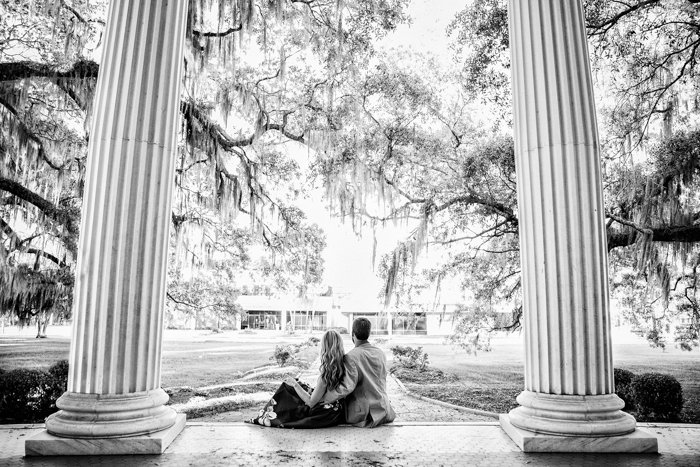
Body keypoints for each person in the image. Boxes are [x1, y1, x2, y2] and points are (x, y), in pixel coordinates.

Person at [246, 329, 346, 428]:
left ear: (325, 348)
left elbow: (311, 402)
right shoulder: (344, 364)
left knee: (288, 386)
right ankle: (269, 416)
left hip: (324, 412)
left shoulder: (326, 374)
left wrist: (295, 384)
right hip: (335, 410)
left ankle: (268, 417)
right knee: (297, 384)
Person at [323, 317, 396, 427]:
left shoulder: (351, 357)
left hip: (365, 415)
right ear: (369, 333)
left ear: (353, 334)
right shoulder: (380, 353)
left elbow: (346, 388)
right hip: (384, 410)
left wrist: (323, 398)